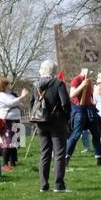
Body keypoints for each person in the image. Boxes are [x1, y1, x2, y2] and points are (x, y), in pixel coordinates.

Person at [33, 60, 72, 192]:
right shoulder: (58, 83)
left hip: (41, 122)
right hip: (57, 121)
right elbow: (65, 103)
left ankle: (43, 185)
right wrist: (67, 117)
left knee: (45, 153)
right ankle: (58, 185)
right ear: (54, 70)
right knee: (59, 153)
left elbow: (32, 103)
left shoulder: (36, 85)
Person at [65, 69, 101, 165]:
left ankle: (99, 157)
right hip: (79, 110)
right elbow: (72, 94)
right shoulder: (76, 80)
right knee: (76, 134)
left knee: (96, 133)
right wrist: (82, 85)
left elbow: (89, 96)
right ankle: (66, 158)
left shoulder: (89, 80)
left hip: (89, 110)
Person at [0, 77, 28, 169]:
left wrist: (22, 100)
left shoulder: (10, 94)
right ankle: (5, 164)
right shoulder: (0, 95)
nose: (10, 86)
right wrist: (22, 96)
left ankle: (13, 162)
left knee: (15, 142)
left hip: (15, 120)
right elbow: (10, 103)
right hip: (7, 121)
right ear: (3, 86)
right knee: (7, 143)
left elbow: (19, 104)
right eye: (8, 84)